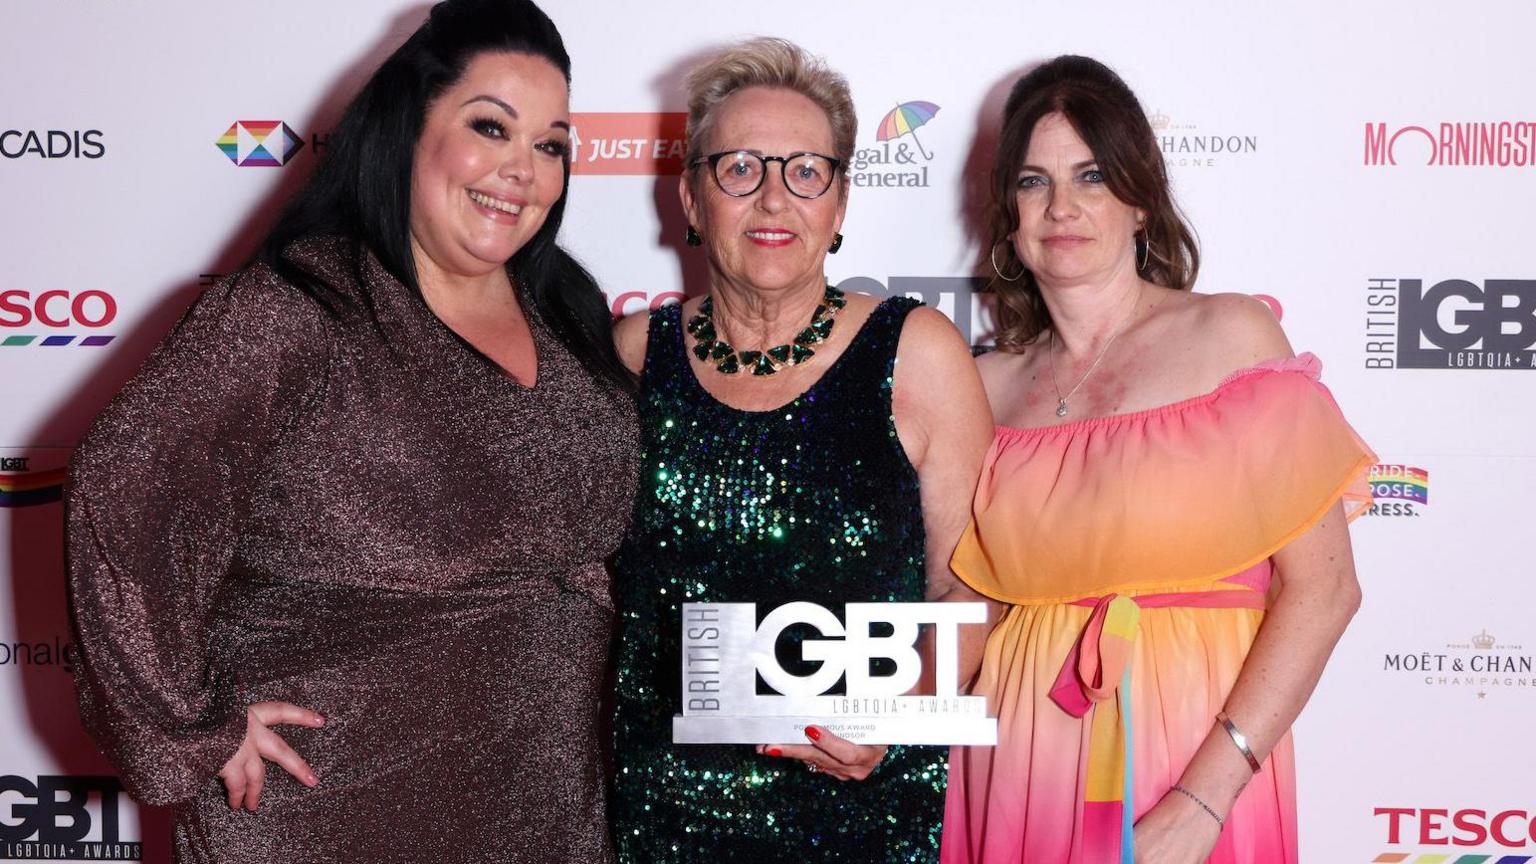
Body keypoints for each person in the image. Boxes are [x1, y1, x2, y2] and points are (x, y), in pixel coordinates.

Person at [66, 2, 637, 861]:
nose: (522, 169)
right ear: (409, 127)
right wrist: (185, 728)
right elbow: (125, 493)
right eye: (492, 127)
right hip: (334, 807)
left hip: (548, 798)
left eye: (551, 145)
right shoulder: (299, 310)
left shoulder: (569, 311)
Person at [941, 56, 1373, 864]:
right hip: (1015, 763)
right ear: (1008, 210)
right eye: (1034, 182)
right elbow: (968, 604)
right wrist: (876, 718)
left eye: (1092, 175)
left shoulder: (1230, 338)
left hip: (1192, 756)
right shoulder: (980, 387)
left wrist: (1205, 798)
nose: (1062, 206)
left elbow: (1326, 589)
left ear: (1141, 199)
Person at [608, 37, 994, 862]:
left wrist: (897, 722)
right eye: (740, 168)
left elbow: (965, 581)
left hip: (860, 804)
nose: (774, 199)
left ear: (841, 202)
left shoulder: (916, 353)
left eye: (806, 171)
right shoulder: (634, 356)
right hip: (656, 807)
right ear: (691, 197)